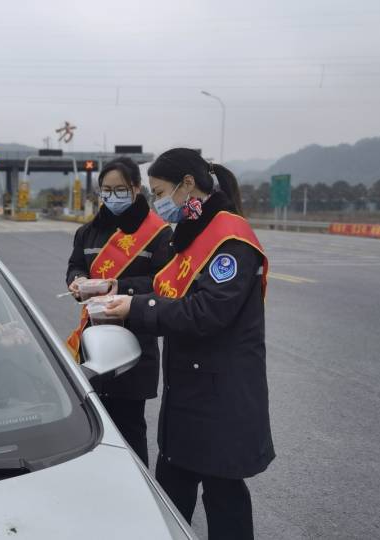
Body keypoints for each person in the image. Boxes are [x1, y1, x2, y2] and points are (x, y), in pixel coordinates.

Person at [104, 148, 274, 539]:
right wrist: (119, 288)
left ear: (188, 185)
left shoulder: (231, 240)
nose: (158, 203)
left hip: (220, 398)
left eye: (161, 193)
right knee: (172, 494)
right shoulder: (196, 232)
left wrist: (135, 307)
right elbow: (167, 284)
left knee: (223, 497)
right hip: (190, 393)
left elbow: (205, 313)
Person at [66, 157, 172, 465]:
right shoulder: (87, 233)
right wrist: (78, 282)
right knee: (93, 428)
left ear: (137, 189)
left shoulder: (159, 234)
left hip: (134, 345)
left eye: (120, 189)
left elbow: (164, 282)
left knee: (129, 427)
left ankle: (138, 492)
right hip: (92, 341)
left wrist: (120, 285)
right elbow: (75, 266)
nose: (112, 196)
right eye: (106, 190)